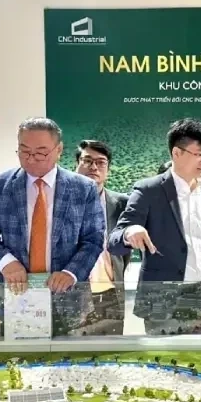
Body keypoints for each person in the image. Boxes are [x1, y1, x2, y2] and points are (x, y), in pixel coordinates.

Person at [0, 117, 105, 336]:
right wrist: (6, 262)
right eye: (24, 151)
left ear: (58, 150)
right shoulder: (0, 185)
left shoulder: (83, 188)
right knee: (19, 356)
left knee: (68, 356)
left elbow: (93, 239)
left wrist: (71, 273)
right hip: (17, 296)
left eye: (41, 153)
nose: (31, 159)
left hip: (68, 298)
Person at [108, 118, 201, 335]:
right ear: (176, 153)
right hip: (163, 299)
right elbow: (114, 241)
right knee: (166, 358)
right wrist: (129, 233)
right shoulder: (148, 191)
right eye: (199, 154)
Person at [75, 139, 130, 336]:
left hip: (110, 294)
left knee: (110, 351)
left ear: (108, 169)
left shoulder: (122, 203)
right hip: (73, 294)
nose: (94, 167)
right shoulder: (62, 201)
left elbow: (123, 251)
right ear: (76, 165)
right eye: (87, 160)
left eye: (101, 162)